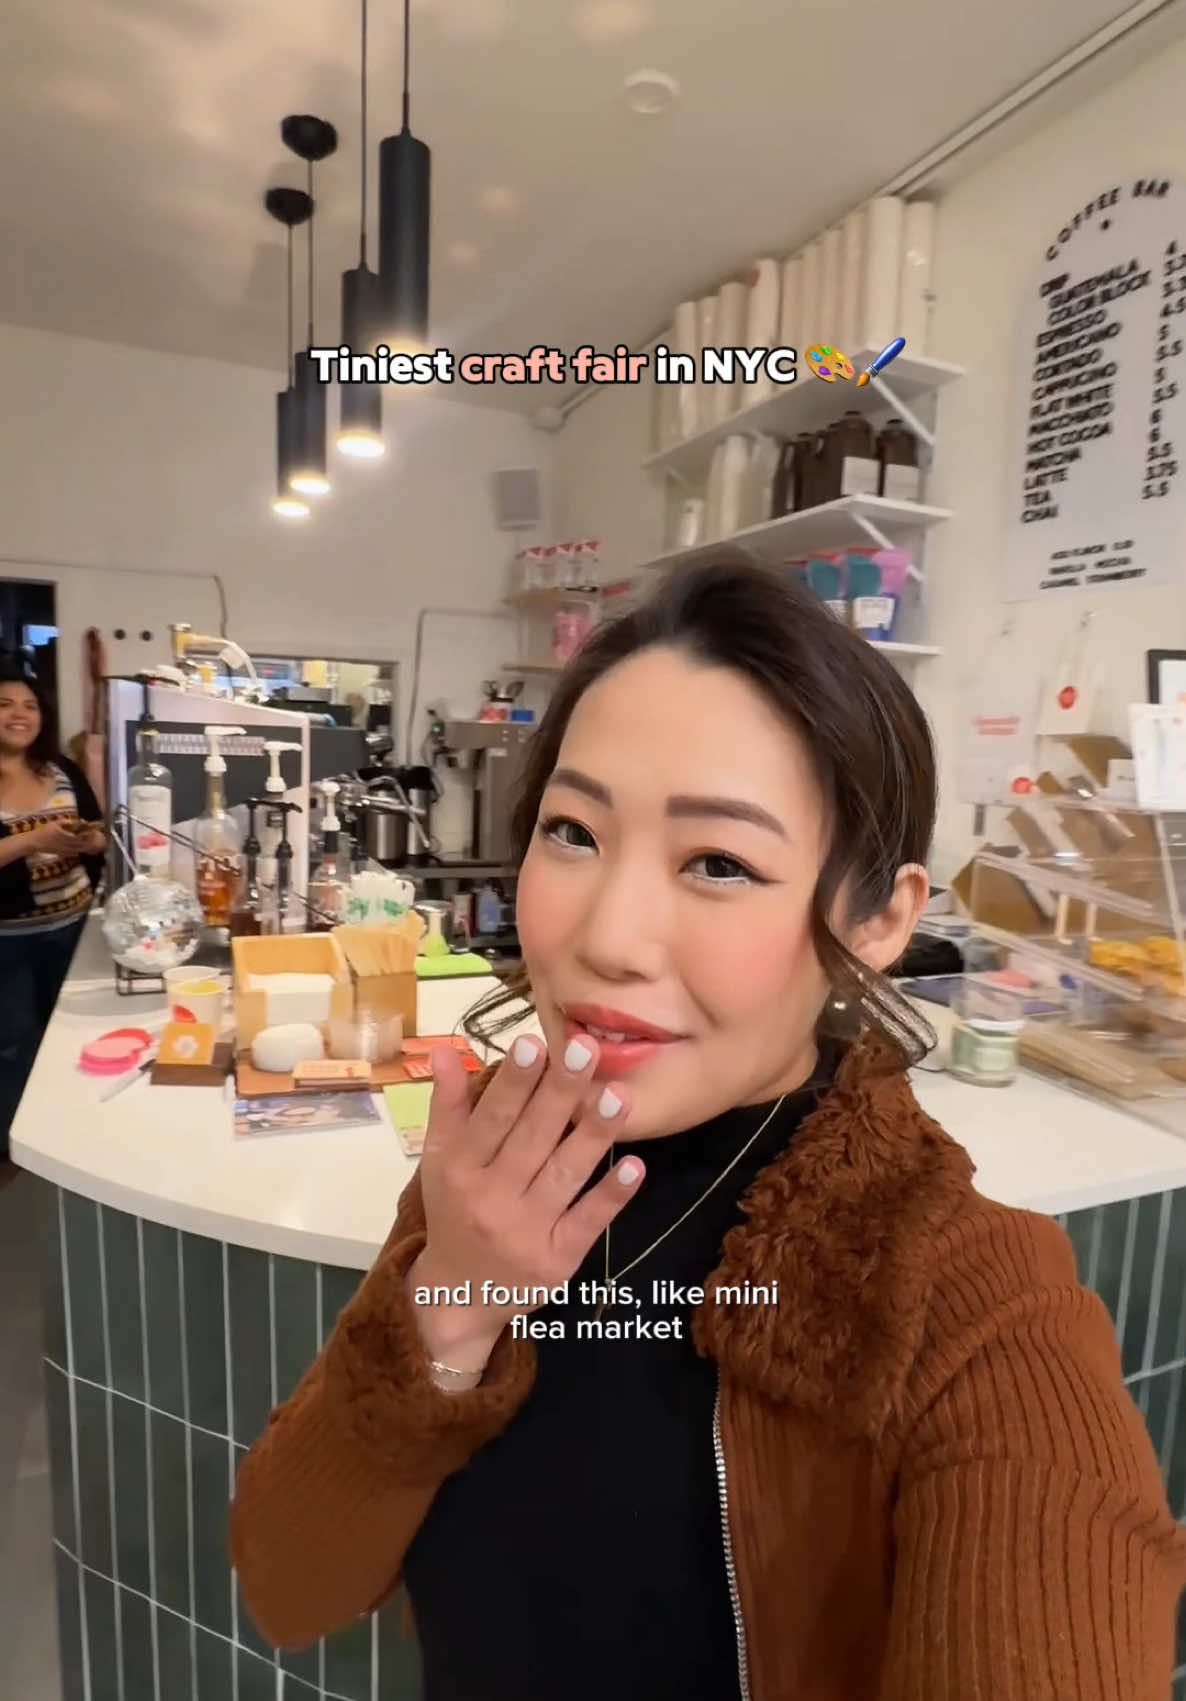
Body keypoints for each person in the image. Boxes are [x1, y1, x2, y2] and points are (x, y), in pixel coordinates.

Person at [231, 557, 1186, 1700]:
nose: (607, 937)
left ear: (878, 920)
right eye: (573, 831)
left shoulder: (969, 1307)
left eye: (720, 863)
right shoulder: (497, 1167)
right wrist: (455, 1299)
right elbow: (288, 1591)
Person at [0, 663, 106, 1159]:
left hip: (74, 927)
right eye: (4, 705)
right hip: (9, 940)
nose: (19, 715)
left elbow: (99, 831)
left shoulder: (60, 769)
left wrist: (89, 840)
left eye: (29, 706)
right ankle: (21, 1149)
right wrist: (32, 840)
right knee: (14, 1045)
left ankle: (72, 1138)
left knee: (71, 1039)